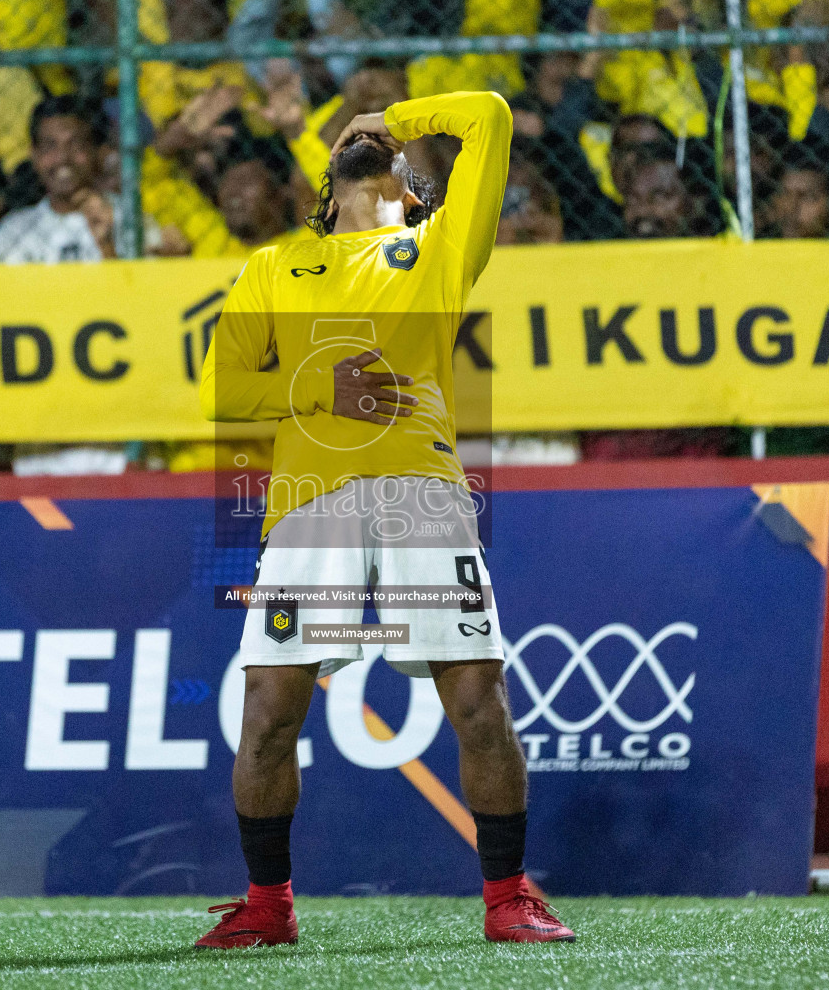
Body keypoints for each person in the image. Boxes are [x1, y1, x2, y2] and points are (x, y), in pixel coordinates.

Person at [196, 90, 574, 948]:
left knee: (478, 698)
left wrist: (391, 115)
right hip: (306, 505)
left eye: (385, 151)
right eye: (350, 147)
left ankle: (511, 896)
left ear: (412, 181)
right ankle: (268, 904)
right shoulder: (272, 267)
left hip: (419, 493)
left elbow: (491, 115)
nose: (365, 150)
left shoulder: (436, 247)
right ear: (324, 190)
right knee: (269, 708)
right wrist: (314, 389)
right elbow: (223, 391)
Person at [0, 96, 115, 263]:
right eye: (50, 146)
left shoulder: (128, 218)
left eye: (75, 145)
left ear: (95, 152)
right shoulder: (13, 230)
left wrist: (107, 245)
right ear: (34, 156)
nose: (62, 158)